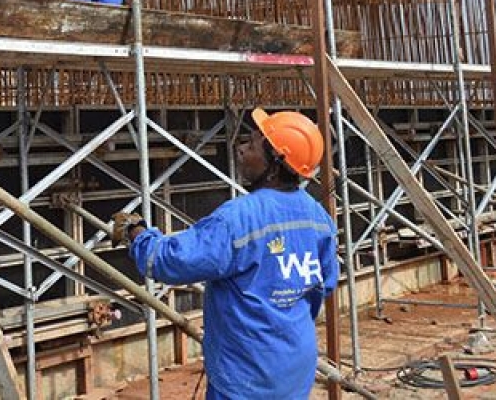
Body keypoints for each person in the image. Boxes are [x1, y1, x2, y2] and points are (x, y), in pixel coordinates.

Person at [119, 108, 338, 400]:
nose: (241, 150)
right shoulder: (317, 217)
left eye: (251, 144)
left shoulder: (238, 219)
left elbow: (166, 261)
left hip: (248, 376)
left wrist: (136, 233)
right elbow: (326, 283)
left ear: (275, 163)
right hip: (295, 365)